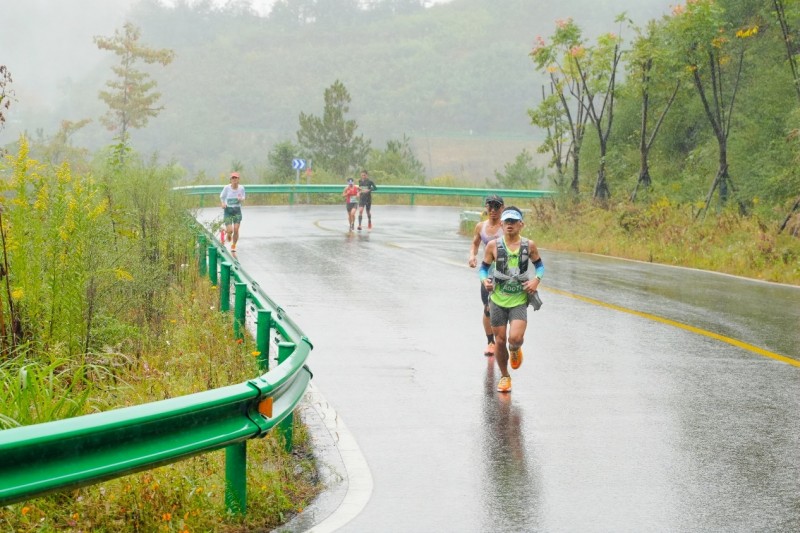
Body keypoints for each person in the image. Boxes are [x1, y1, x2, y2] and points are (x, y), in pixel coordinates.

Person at [479, 206, 544, 393]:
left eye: (514, 222)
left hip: (519, 299)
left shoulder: (529, 245)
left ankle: (515, 349)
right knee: (499, 341)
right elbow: (483, 269)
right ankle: (505, 376)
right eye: (507, 221)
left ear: (521, 224)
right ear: (501, 224)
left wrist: (536, 280)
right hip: (498, 299)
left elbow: (540, 266)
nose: (510, 225)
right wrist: (485, 281)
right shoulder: (493, 246)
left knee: (514, 338)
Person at [468, 194, 505, 356]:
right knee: (488, 308)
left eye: (497, 207)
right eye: (490, 206)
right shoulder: (480, 227)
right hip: (488, 274)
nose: (493, 210)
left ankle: (504, 340)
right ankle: (491, 342)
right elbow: (475, 243)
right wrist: (472, 256)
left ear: (502, 209)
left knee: (506, 308)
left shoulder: (507, 226)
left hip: (507, 275)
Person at [219, 171, 245, 251]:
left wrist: (241, 199)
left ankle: (233, 245)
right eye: (232, 178)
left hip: (237, 210)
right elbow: (222, 197)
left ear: (238, 179)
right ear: (230, 180)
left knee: (236, 229)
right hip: (228, 210)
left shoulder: (241, 188)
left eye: (235, 178)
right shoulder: (227, 188)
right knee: (230, 230)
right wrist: (223, 203)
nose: (234, 179)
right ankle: (225, 231)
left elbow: (243, 197)